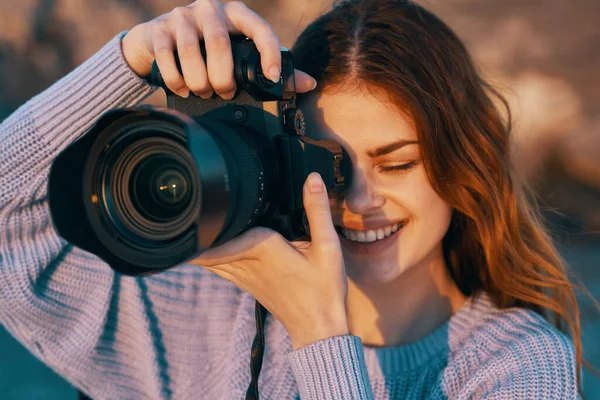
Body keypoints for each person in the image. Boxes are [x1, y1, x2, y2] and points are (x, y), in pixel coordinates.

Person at [0, 0, 587, 398]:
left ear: (464, 161)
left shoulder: (516, 366)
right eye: (323, 164)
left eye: (398, 162)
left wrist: (320, 338)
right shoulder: (198, 316)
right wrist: (128, 60)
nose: (356, 198)